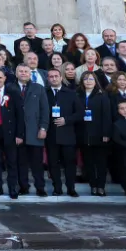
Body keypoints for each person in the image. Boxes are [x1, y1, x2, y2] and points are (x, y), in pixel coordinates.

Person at [44, 68, 81, 196]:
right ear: (48, 79)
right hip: (51, 135)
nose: (54, 78)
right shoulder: (45, 93)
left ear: (61, 78)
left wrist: (67, 120)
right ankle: (57, 188)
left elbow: (80, 113)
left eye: (56, 76)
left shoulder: (71, 93)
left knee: (70, 164)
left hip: (68, 134)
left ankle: (71, 188)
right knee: (53, 164)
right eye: (51, 76)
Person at [0, 68, 22, 199]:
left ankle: (13, 188)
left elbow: (20, 114)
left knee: (12, 162)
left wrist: (19, 134)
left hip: (10, 132)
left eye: (0, 77)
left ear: (5, 79)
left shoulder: (13, 92)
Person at [15, 63, 49, 196]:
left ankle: (40, 187)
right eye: (21, 71)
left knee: (37, 164)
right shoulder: (11, 88)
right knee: (21, 163)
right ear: (16, 73)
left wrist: (43, 128)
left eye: (26, 71)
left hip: (35, 132)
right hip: (18, 133)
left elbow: (44, 110)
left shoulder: (39, 88)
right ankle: (23, 187)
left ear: (30, 74)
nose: (23, 73)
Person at [76, 71, 112, 196]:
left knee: (101, 162)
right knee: (88, 162)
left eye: (91, 79)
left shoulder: (102, 95)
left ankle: (101, 186)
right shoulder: (77, 94)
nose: (88, 81)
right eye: (85, 79)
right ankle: (93, 186)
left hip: (99, 133)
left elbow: (107, 115)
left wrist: (106, 133)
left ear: (95, 81)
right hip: (83, 133)